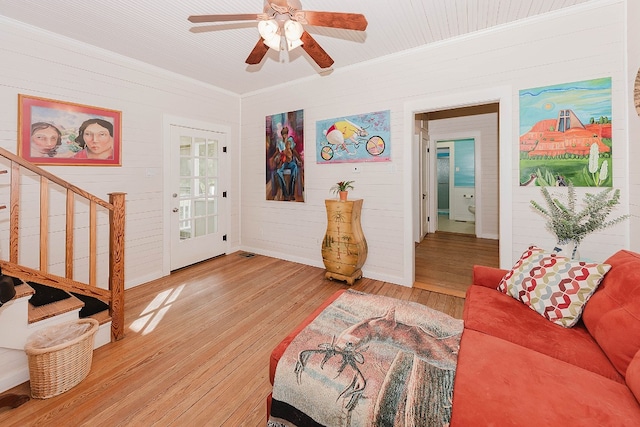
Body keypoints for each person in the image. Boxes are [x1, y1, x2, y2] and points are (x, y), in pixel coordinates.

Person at [275, 126, 302, 201]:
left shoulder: (290, 140)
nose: (284, 135)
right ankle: (285, 193)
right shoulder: (279, 141)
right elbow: (278, 152)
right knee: (278, 172)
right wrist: (275, 158)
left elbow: (294, 151)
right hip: (283, 161)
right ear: (281, 134)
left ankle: (291, 193)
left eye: (286, 134)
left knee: (295, 169)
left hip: (290, 161)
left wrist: (299, 160)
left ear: (287, 134)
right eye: (283, 134)